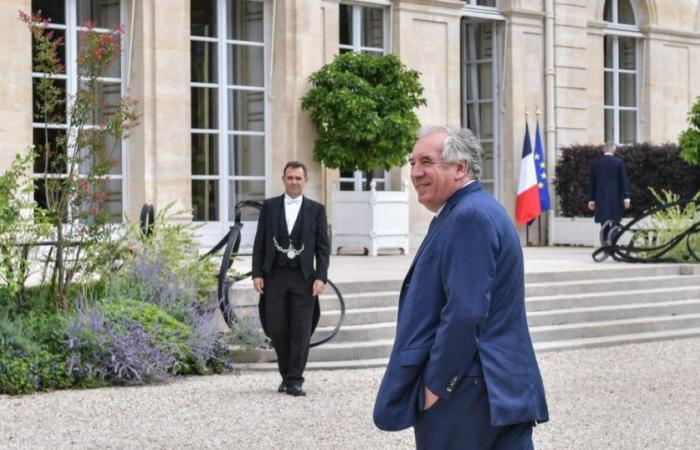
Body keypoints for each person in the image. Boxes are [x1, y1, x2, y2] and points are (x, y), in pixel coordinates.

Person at [373, 126, 548, 449]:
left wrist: (436, 387)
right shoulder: (466, 211)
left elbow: (465, 312)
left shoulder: (469, 217)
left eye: (426, 161)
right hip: (492, 390)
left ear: (460, 168)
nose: (415, 172)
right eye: (411, 163)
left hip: (471, 395)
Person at [252, 161, 329, 397]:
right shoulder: (270, 207)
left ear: (305, 180)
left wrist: (321, 276)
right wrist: (257, 273)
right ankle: (286, 374)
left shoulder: (316, 210)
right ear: (283, 179)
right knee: (277, 328)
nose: (294, 182)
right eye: (290, 178)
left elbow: (323, 247)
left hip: (303, 277)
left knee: (301, 329)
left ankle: (295, 379)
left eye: (298, 178)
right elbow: (259, 242)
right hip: (274, 275)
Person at [588, 142, 631, 247]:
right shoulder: (619, 163)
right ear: (614, 150)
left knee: (604, 222)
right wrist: (626, 198)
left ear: (604, 150)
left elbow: (591, 183)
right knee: (615, 222)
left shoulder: (595, 164)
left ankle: (605, 244)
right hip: (616, 199)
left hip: (601, 198)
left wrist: (591, 200)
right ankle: (613, 242)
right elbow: (623, 182)